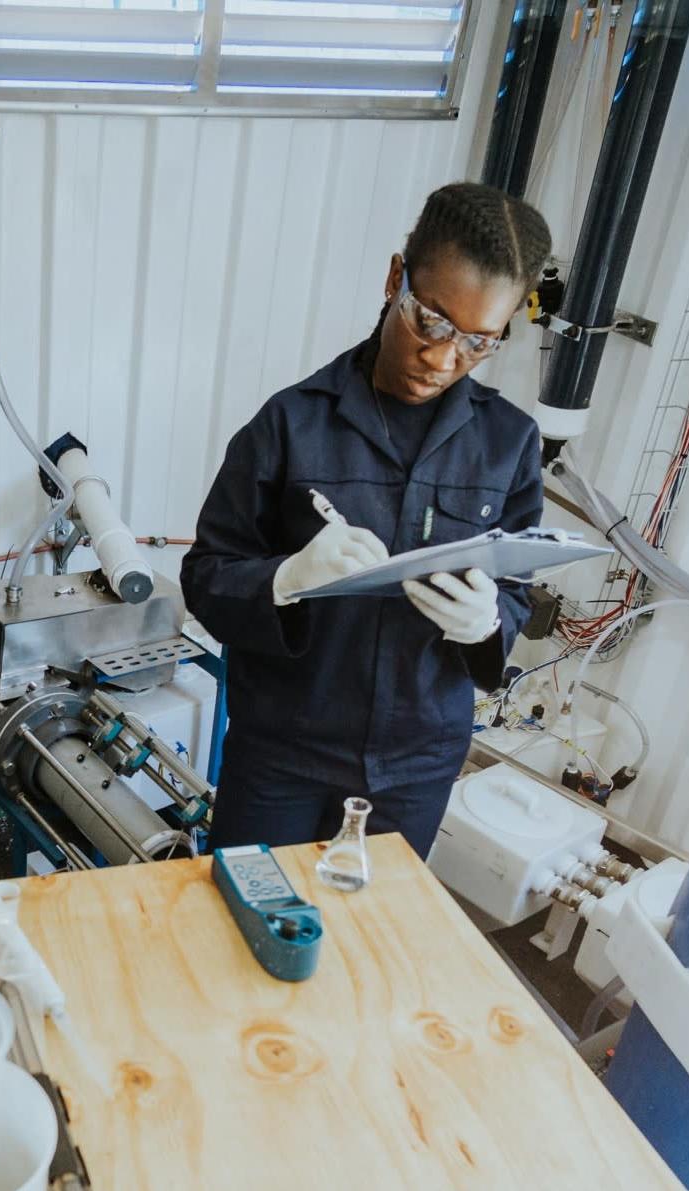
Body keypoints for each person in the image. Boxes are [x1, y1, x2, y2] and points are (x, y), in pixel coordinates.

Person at [181, 182, 552, 859]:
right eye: (430, 321)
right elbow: (206, 577)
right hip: (282, 751)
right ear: (394, 279)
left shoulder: (509, 444)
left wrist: (486, 621)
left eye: (477, 341)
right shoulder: (289, 426)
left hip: (417, 759)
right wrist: (284, 580)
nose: (442, 359)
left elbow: (516, 594)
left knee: (373, 938)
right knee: (244, 920)